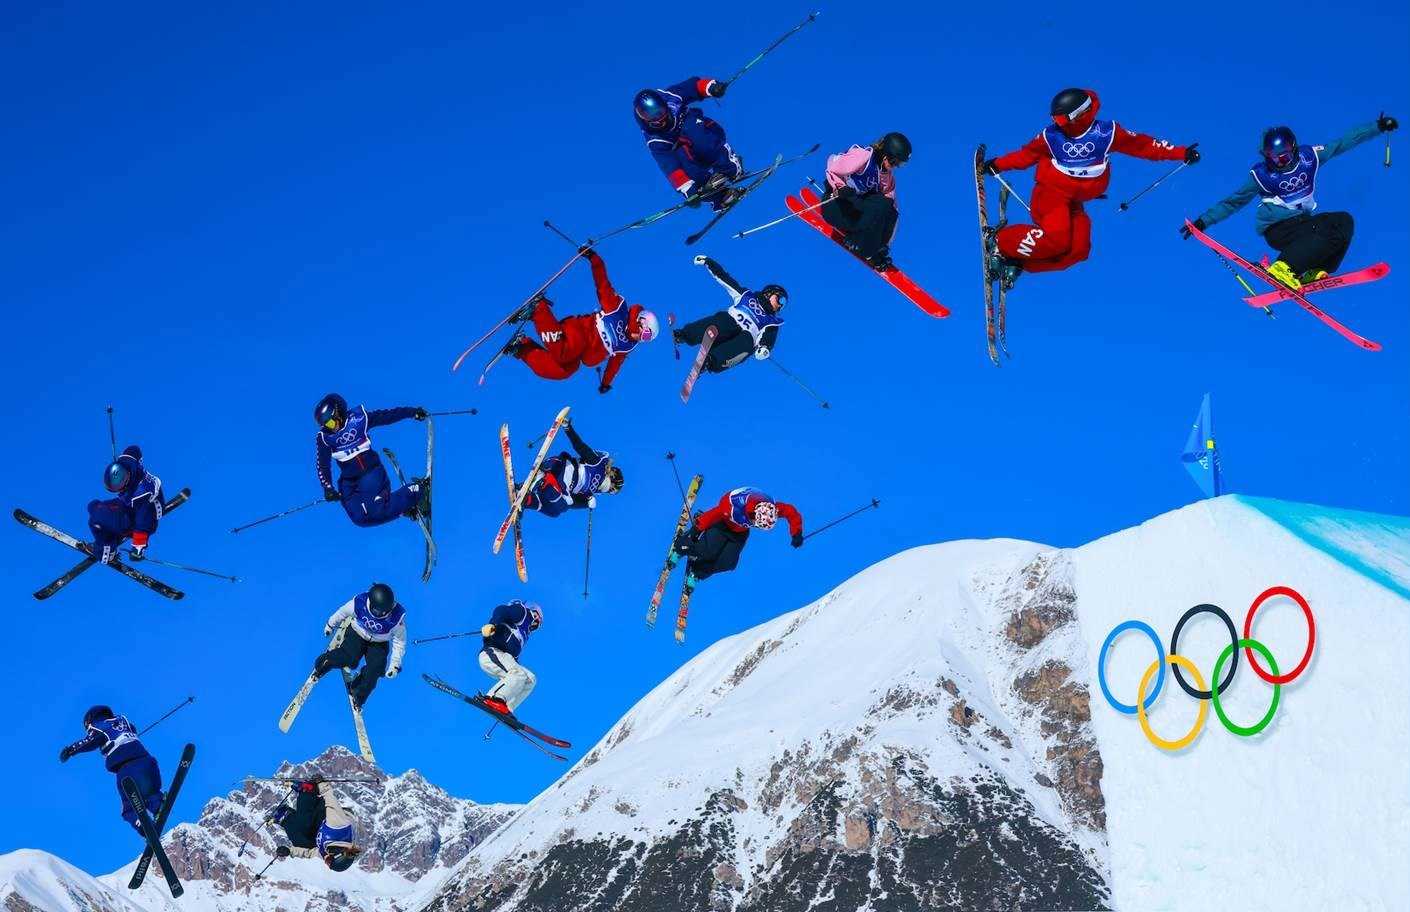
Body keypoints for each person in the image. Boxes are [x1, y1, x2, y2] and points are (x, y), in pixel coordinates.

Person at [984, 89, 1196, 283]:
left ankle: (1017, 261)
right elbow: (1027, 155)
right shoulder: (1051, 137)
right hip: (1050, 192)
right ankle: (1001, 241)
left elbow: (1143, 145)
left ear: (1080, 115)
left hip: (1074, 201)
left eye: (1061, 118)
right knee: (1056, 239)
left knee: (1078, 250)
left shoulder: (1106, 134)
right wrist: (997, 165)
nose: (1057, 123)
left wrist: (1180, 152)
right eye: (1054, 118)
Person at [1182, 116, 1399, 289]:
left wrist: (1377, 127)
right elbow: (1233, 202)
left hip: (1302, 225)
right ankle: (1283, 267)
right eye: (1272, 158)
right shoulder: (1262, 175)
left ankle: (1314, 271)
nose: (1278, 163)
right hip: (1278, 230)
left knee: (1343, 221)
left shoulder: (1309, 157)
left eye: (1283, 157)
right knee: (1321, 227)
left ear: (1293, 149)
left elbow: (1343, 143)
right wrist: (1203, 222)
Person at [505, 247, 659, 393]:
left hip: (580, 353)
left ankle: (521, 347)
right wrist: (594, 259)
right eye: (645, 335)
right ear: (641, 321)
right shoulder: (618, 310)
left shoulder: (626, 346)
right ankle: (539, 309)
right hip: (580, 332)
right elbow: (603, 285)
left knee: (563, 371)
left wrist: (606, 383)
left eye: (646, 340)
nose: (641, 339)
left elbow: (614, 365)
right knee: (563, 352)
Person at [314, 393, 429, 528]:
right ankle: (403, 507)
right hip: (349, 481)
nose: (330, 427)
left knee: (376, 509)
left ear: (339, 412)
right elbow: (323, 465)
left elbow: (387, 416)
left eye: (331, 422)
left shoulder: (359, 419)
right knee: (360, 519)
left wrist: (413, 412)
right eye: (325, 425)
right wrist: (328, 488)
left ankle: (417, 492)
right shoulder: (325, 437)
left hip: (370, 472)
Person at [633, 76, 743, 211]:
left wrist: (711, 87)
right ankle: (720, 197)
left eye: (660, 111)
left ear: (664, 104)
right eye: (653, 116)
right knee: (684, 164)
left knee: (691, 130)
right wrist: (687, 189)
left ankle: (730, 166)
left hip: (706, 131)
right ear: (644, 118)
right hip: (691, 152)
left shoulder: (671, 97)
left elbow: (694, 87)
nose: (659, 118)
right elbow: (669, 165)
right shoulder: (655, 139)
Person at [59, 705, 163, 834]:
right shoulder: (124, 722)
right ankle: (158, 805)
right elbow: (133, 729)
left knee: (128, 809)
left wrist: (70, 750)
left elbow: (89, 741)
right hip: (148, 761)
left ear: (90, 719)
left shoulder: (98, 727)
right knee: (150, 792)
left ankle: (143, 825)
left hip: (127, 768)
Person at [674, 255, 788, 372]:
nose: (780, 305)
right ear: (769, 293)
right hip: (728, 324)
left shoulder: (772, 322)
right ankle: (683, 335)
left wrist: (764, 348)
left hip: (742, 340)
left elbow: (768, 338)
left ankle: (710, 361)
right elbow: (725, 279)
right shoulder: (746, 296)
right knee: (726, 321)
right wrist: (708, 262)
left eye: (783, 305)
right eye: (781, 300)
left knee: (747, 341)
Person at [673, 487, 803, 584]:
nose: (756, 526)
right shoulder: (733, 507)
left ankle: (696, 571)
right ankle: (680, 546)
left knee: (728, 563)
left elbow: (791, 512)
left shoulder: (769, 509)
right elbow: (715, 513)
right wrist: (697, 529)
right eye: (757, 523)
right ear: (754, 514)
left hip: (740, 533)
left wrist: (796, 532)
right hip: (722, 524)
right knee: (708, 551)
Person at [820, 132, 912, 269]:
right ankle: (861, 246)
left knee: (888, 206)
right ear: (886, 154)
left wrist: (884, 244)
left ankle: (871, 248)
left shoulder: (886, 178)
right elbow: (833, 165)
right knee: (880, 205)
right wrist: (839, 187)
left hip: (855, 214)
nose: (895, 167)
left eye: (899, 165)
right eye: (895, 162)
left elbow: (892, 210)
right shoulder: (863, 156)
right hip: (836, 205)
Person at [314, 582, 407, 710]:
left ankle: (358, 694)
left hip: (379, 643)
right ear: (371, 603)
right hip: (357, 633)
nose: (380, 614)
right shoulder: (359, 603)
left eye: (384, 612)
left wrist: (395, 665)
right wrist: (330, 625)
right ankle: (323, 663)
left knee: (376, 670)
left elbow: (400, 642)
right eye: (377, 611)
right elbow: (341, 613)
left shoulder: (396, 619)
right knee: (350, 658)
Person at [521, 422, 623, 518]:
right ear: (612, 476)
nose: (609, 491)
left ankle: (527, 500)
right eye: (613, 488)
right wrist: (568, 428)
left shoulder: (590, 493)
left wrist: (585, 503)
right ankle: (542, 480)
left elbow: (572, 503)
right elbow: (580, 447)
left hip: (559, 483)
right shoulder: (599, 465)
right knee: (563, 505)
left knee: (555, 511)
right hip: (560, 468)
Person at [87, 445, 162, 565]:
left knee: (95, 521)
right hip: (130, 508)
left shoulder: (141, 496)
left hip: (137, 520)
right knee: (94, 506)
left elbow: (144, 522)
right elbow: (134, 450)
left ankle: (106, 552)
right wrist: (121, 460)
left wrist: (137, 548)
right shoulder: (128, 464)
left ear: (127, 480)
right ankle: (110, 532)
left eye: (120, 485)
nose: (119, 489)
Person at [271, 778, 361, 872]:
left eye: (327, 863)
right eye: (328, 861)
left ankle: (286, 817)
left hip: (323, 827)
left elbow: (309, 852)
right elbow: (330, 800)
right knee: (306, 821)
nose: (325, 860)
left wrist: (289, 851)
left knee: (302, 843)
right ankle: (308, 790)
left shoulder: (328, 852)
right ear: (338, 854)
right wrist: (321, 783)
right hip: (336, 813)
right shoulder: (338, 827)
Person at [478, 600, 542, 715]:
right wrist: (493, 624)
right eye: (539, 619)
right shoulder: (523, 612)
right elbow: (502, 610)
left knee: (530, 679)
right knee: (518, 673)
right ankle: (493, 698)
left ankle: (506, 707)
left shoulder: (523, 636)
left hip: (502, 656)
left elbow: (512, 662)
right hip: (491, 652)